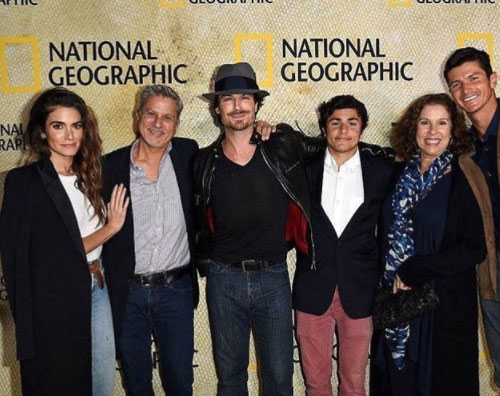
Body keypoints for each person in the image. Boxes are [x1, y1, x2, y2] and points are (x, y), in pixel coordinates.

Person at [193, 62, 324, 396]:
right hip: (224, 279)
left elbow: (333, 146)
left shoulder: (280, 146)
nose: (237, 106)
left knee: (279, 379)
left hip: (273, 277)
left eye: (245, 97)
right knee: (231, 378)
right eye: (228, 99)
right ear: (217, 109)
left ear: (256, 104)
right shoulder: (204, 161)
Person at [0, 87, 129, 396]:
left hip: (97, 288)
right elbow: (52, 253)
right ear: (42, 133)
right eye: (58, 126)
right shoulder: (24, 183)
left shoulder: (92, 173)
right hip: (54, 299)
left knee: (100, 384)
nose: (70, 135)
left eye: (77, 125)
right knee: (61, 384)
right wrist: (110, 228)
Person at [371, 93, 486, 396]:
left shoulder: (465, 177)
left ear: (453, 131)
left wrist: (417, 270)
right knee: (399, 382)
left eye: (441, 123)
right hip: (396, 303)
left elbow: (475, 248)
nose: (432, 131)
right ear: (413, 128)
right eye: (425, 122)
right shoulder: (396, 173)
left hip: (441, 307)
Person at [101, 85, 199, 396]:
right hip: (128, 293)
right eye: (151, 114)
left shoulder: (189, 155)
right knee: (137, 383)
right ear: (137, 116)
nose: (158, 124)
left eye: (167, 117)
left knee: (181, 382)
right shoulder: (108, 167)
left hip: (177, 291)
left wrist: (265, 129)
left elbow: (235, 144)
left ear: (177, 123)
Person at [293, 95, 393, 396]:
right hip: (312, 288)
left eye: (352, 122)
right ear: (324, 128)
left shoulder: (382, 169)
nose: (343, 130)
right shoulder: (303, 169)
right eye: (335, 122)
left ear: (362, 128)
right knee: (315, 384)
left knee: (354, 384)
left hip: (360, 291)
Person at [444, 47, 500, 391]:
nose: (466, 90)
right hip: (491, 273)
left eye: (474, 78)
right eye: (456, 85)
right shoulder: (464, 150)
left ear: (493, 80)